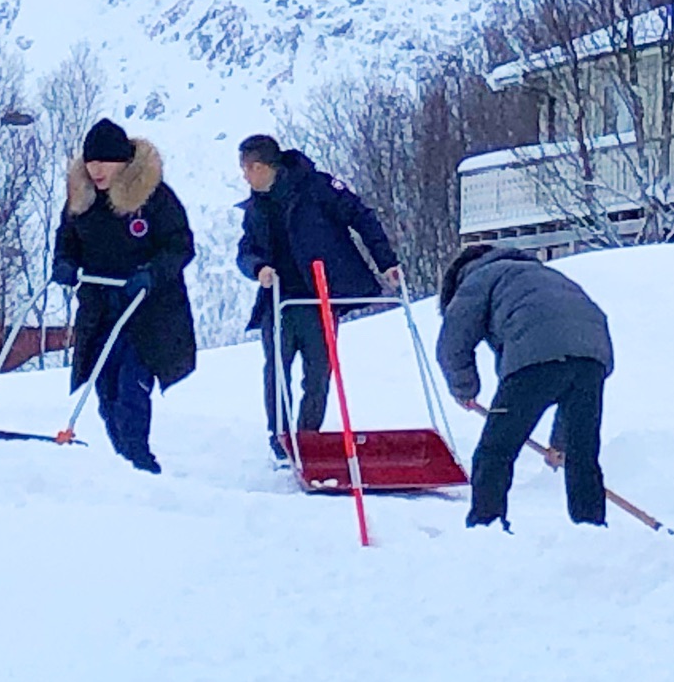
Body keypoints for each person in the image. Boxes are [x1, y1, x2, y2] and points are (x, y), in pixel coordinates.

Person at [235, 135, 402, 462]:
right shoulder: (255, 209)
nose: (244, 177)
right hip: (278, 302)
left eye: (245, 169)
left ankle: (308, 438)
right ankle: (282, 441)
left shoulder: (317, 187)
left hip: (319, 298)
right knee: (276, 372)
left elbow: (361, 217)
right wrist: (257, 269)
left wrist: (386, 262)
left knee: (318, 371)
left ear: (259, 166)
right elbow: (245, 251)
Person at [436, 244, 615, 529]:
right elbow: (566, 367)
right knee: (582, 455)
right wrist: (561, 444)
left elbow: (453, 341)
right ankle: (592, 529)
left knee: (495, 451)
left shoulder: (477, 279)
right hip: (593, 354)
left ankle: (486, 527)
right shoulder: (542, 275)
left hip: (536, 356)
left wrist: (464, 390)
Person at [52, 119, 196, 473]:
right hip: (101, 309)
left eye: (104, 161)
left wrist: (152, 273)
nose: (96, 169)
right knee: (107, 394)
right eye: (90, 161)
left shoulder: (155, 198)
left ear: (123, 162)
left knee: (131, 388)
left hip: (147, 312)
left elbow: (180, 246)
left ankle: (141, 463)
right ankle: (125, 468)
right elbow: (66, 241)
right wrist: (65, 265)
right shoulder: (80, 200)